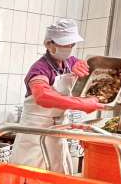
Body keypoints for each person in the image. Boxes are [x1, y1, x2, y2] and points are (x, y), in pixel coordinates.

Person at [9, 19, 108, 173]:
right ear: (49, 44)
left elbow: (90, 77)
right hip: (35, 134)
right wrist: (81, 104)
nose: (68, 48)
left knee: (57, 174)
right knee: (31, 177)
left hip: (57, 132)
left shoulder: (70, 62)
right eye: (64, 44)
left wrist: (83, 69)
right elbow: (42, 96)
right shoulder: (39, 68)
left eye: (71, 44)